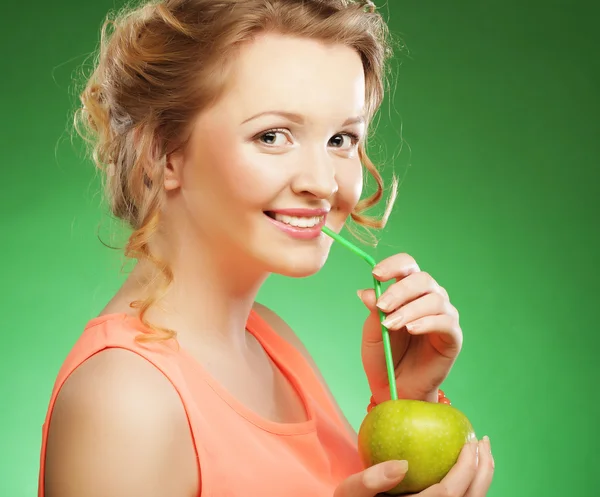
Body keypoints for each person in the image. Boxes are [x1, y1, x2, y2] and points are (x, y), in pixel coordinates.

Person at [38, 0, 495, 496]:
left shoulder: (270, 343)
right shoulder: (124, 399)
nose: (323, 183)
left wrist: (403, 398)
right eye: (273, 135)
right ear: (162, 153)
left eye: (342, 138)